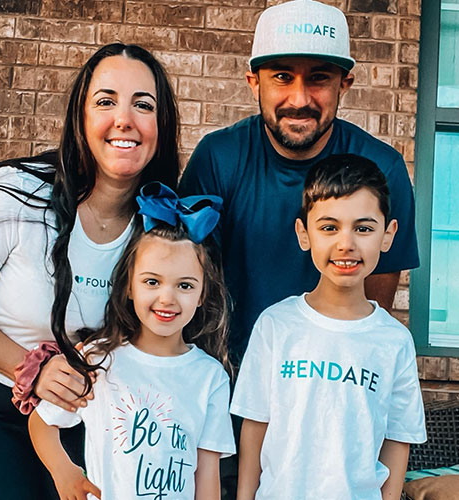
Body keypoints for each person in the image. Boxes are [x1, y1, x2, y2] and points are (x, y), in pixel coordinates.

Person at [0, 43, 180, 500]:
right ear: (79, 117)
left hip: (84, 418)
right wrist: (30, 369)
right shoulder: (14, 198)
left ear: (161, 126)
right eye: (105, 101)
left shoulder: (162, 231)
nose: (125, 119)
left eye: (143, 104)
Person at [179, 0, 419, 365]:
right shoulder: (219, 158)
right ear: (253, 82)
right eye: (282, 76)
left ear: (345, 84)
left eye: (319, 77)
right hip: (224, 383)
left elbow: (372, 316)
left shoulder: (382, 169)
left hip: (329, 384)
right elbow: (182, 280)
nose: (300, 98)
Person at [231, 154, 426, 500]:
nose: (346, 244)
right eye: (329, 227)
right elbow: (254, 427)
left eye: (363, 228)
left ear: (388, 235)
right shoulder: (276, 325)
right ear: (304, 234)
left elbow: (397, 441)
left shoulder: (394, 341)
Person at [28, 182, 236, 500]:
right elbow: (42, 421)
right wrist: (63, 471)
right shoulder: (99, 359)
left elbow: (206, 475)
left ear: (202, 293)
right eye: (152, 282)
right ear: (129, 286)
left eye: (185, 285)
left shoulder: (211, 377)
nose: (167, 298)